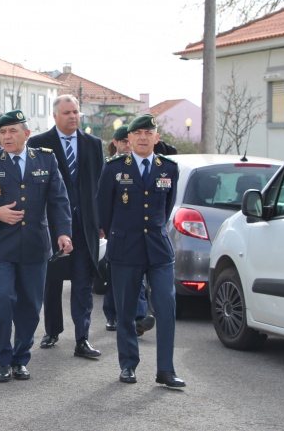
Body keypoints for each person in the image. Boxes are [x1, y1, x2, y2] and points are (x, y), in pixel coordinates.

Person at [0, 109, 73, 382]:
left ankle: (20, 357)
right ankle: (2, 359)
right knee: (2, 299)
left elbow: (59, 201)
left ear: (27, 134)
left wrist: (63, 234)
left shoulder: (46, 160)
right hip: (1, 245)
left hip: (35, 246)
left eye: (12, 131)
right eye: (2, 132)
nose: (5, 136)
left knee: (29, 305)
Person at [96, 113, 186, 387]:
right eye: (138, 134)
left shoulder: (168, 168)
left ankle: (166, 370)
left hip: (158, 249)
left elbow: (166, 208)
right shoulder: (113, 168)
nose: (144, 138)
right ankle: (128, 365)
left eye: (149, 133)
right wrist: (119, 234)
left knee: (166, 307)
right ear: (130, 139)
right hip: (125, 248)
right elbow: (104, 210)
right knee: (125, 311)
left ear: (157, 138)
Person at [27, 95, 103, 359]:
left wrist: (101, 221)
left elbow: (99, 186)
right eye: (67, 112)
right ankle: (52, 330)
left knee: (83, 283)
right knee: (52, 281)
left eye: (76, 112)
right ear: (55, 116)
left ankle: (82, 338)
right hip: (51, 224)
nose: (73, 116)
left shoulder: (93, 144)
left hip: (84, 226)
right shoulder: (38, 144)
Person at [102, 125, 154, 335]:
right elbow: (102, 201)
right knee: (114, 276)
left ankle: (139, 317)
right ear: (115, 144)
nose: (127, 144)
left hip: (137, 234)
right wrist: (104, 227)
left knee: (137, 277)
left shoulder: (142, 166)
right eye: (123, 141)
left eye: (128, 140)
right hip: (116, 231)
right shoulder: (110, 166)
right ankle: (112, 314)